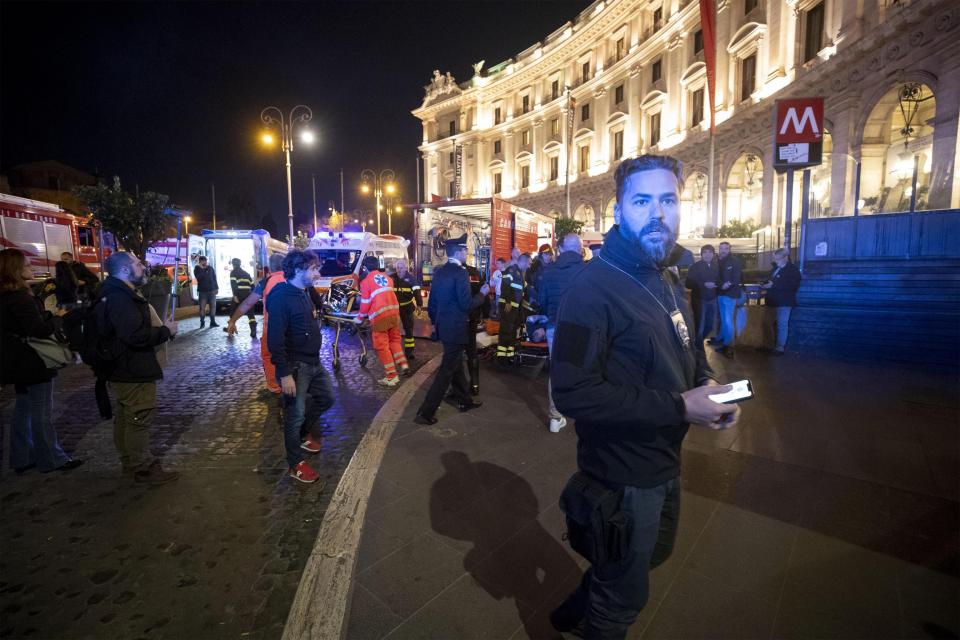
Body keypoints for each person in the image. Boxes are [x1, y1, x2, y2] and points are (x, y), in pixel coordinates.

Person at [550, 155, 741, 638]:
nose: (658, 213)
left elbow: (686, 346)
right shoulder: (590, 289)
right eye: (642, 201)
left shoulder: (670, 277)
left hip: (664, 460)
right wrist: (680, 407)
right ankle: (593, 617)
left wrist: (704, 387)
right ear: (618, 212)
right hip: (620, 472)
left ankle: (572, 612)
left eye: (668, 200)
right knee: (624, 599)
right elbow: (572, 393)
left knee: (650, 558)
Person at [0, 249, 83, 474]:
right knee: (41, 410)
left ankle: (21, 457)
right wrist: (57, 318)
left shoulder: (6, 297)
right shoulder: (21, 297)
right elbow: (38, 329)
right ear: (15, 270)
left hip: (14, 359)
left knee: (23, 408)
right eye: (26, 265)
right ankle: (51, 459)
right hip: (33, 360)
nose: (31, 268)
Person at [99, 251, 179, 484]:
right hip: (132, 368)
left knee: (126, 418)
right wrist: (166, 332)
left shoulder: (116, 292)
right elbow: (135, 335)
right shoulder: (120, 297)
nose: (142, 266)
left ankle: (130, 463)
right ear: (125, 269)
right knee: (138, 418)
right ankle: (141, 467)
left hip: (123, 367)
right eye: (137, 263)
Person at [266, 250, 335, 483]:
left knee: (327, 399)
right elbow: (274, 340)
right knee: (293, 417)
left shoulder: (304, 290)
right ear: (297, 270)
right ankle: (295, 463)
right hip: (296, 366)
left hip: (313, 362)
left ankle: (303, 435)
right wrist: (284, 374)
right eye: (314, 269)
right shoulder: (280, 296)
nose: (318, 273)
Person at [415, 234, 489, 425]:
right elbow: (466, 304)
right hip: (456, 329)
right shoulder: (460, 273)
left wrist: (435, 323)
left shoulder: (440, 272)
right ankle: (426, 412)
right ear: (458, 251)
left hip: (444, 328)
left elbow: (432, 304)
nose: (467, 252)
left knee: (455, 366)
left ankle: (464, 401)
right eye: (465, 250)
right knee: (446, 371)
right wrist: (483, 293)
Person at [538, 232, 584, 433]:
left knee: (557, 369)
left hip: (554, 325)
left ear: (561, 249)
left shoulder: (548, 271)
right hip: (581, 327)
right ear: (580, 249)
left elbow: (542, 301)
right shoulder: (587, 270)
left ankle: (555, 417)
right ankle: (582, 411)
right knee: (582, 368)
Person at [226, 253, 287, 394]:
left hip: (271, 328)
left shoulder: (265, 283)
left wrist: (232, 320)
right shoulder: (292, 278)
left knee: (268, 355)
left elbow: (248, 303)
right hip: (292, 327)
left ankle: (274, 385)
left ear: (270, 268)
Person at [358, 256, 410, 388]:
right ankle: (403, 364)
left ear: (365, 268)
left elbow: (365, 303)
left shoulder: (366, 282)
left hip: (380, 316)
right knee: (394, 341)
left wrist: (359, 318)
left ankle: (392, 376)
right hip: (394, 314)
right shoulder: (388, 278)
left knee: (382, 346)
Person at [760, 247, 801, 355]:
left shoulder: (793, 270)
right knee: (766, 323)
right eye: (775, 259)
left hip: (784, 302)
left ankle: (779, 348)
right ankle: (769, 345)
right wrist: (766, 283)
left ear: (786, 257)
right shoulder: (776, 268)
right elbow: (772, 280)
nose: (776, 261)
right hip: (772, 301)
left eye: (778, 259)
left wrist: (773, 285)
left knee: (782, 325)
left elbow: (793, 285)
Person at [684, 244, 720, 344]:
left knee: (710, 326)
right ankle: (698, 350)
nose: (707, 255)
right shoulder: (695, 267)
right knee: (700, 326)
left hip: (713, 299)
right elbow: (688, 284)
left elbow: (718, 280)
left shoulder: (716, 266)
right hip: (700, 300)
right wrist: (704, 284)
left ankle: (698, 342)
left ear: (713, 254)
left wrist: (718, 284)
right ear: (701, 254)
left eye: (710, 252)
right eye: (705, 252)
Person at [714, 241, 743, 357]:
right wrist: (720, 285)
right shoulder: (717, 261)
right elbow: (716, 276)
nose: (723, 250)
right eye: (721, 248)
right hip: (720, 293)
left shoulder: (735, 261)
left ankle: (728, 346)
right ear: (719, 249)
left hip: (730, 294)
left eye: (726, 248)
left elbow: (737, 278)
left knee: (728, 320)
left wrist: (727, 284)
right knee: (724, 319)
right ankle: (721, 338)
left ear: (729, 249)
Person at [496, 252, 526, 363]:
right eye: (528, 263)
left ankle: (509, 355)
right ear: (522, 262)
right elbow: (505, 285)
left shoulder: (519, 273)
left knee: (512, 331)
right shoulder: (512, 270)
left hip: (514, 307)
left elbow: (522, 289)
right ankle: (502, 357)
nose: (528, 266)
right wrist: (508, 302)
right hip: (508, 307)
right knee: (506, 331)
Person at [391, 258, 423, 360]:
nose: (399, 270)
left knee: (408, 329)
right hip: (394, 308)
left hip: (407, 307)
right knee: (392, 329)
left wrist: (419, 305)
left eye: (401, 267)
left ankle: (409, 352)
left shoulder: (412, 279)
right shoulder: (391, 278)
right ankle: (392, 350)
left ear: (406, 268)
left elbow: (417, 293)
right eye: (397, 268)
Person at [464, 261, 486, 395]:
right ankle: (475, 384)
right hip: (472, 317)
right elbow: (483, 293)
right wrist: (485, 313)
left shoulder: (451, 272)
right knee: (472, 350)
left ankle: (456, 387)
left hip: (458, 319)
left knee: (456, 353)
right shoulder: (475, 272)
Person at [229, 258, 256, 338]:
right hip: (248, 295)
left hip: (239, 294)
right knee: (251, 314)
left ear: (233, 264)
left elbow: (233, 285)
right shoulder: (247, 274)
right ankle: (253, 331)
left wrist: (235, 296)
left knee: (232, 313)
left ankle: (231, 329)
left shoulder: (233, 272)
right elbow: (253, 286)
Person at [194, 255, 218, 328]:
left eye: (206, 260)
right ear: (200, 262)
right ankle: (202, 322)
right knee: (202, 307)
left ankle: (212, 322)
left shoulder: (210, 268)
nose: (205, 262)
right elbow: (199, 278)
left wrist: (216, 288)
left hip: (212, 290)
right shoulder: (197, 268)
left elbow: (214, 278)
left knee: (213, 307)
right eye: (203, 261)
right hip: (202, 291)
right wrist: (202, 269)